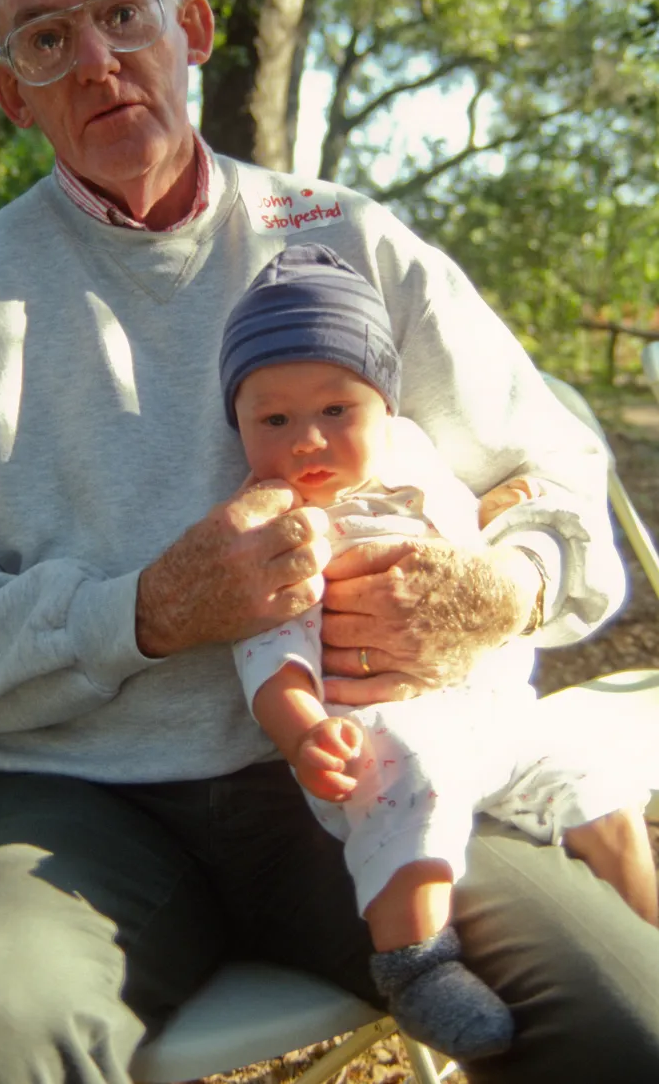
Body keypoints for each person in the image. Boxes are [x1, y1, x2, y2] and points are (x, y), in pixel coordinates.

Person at [0, 0, 659, 1084]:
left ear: (192, 29)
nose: (97, 59)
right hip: (70, 809)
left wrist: (494, 588)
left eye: (121, 13)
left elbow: (565, 481)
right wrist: (143, 610)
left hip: (372, 777)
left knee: (627, 1019)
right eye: (47, 39)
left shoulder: (348, 241)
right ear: (13, 94)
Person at [220, 240, 657, 1061]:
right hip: (378, 728)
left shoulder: (415, 456)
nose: (307, 440)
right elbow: (270, 650)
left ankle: (646, 916)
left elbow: (459, 531)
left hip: (492, 711)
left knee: (594, 777)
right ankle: (415, 961)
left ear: (385, 405)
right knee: (408, 789)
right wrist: (305, 730)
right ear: (239, 425)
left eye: (335, 411)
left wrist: (496, 509)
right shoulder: (273, 528)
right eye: (273, 420)